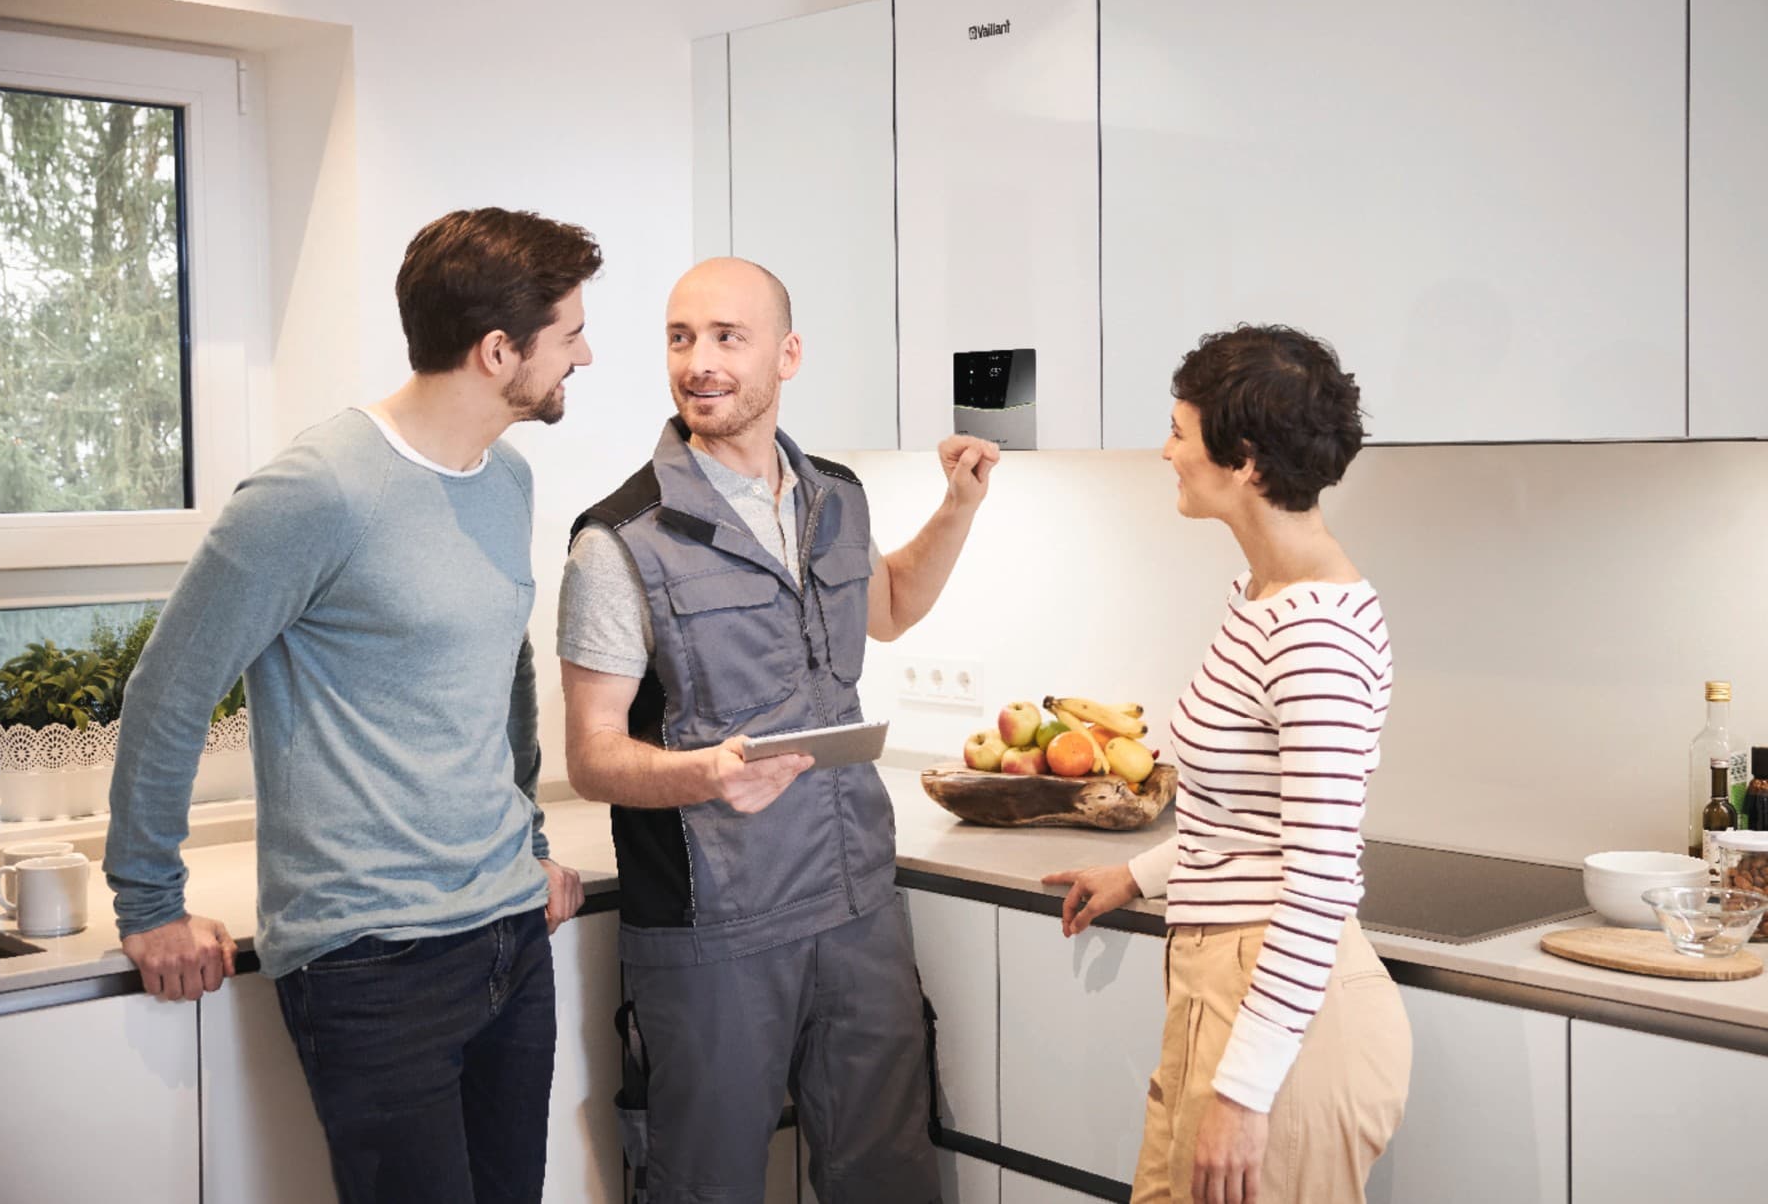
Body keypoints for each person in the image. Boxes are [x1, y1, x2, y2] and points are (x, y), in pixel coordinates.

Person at [103, 207, 601, 1204]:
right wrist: (148, 902)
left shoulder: (503, 477)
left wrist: (530, 839)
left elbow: (497, 680)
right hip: (373, 962)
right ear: (498, 350)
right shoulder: (316, 490)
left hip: (508, 936)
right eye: (571, 333)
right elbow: (171, 687)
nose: (585, 354)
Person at [558, 256, 999, 1204]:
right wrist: (705, 775)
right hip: (716, 931)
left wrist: (959, 508)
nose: (699, 362)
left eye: (726, 337)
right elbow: (592, 754)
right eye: (681, 338)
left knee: (886, 1180)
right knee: (703, 1186)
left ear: (787, 354)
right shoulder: (619, 540)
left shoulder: (835, 497)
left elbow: (888, 606)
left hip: (856, 907)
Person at [1043, 325, 1411, 1204]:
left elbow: (1321, 879)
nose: (1166, 451)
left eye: (1179, 429)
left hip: (1284, 1020)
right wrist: (1140, 871)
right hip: (1223, 988)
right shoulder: (1261, 597)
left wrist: (1244, 1095)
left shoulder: (1313, 633)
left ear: (1243, 458)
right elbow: (1246, 815)